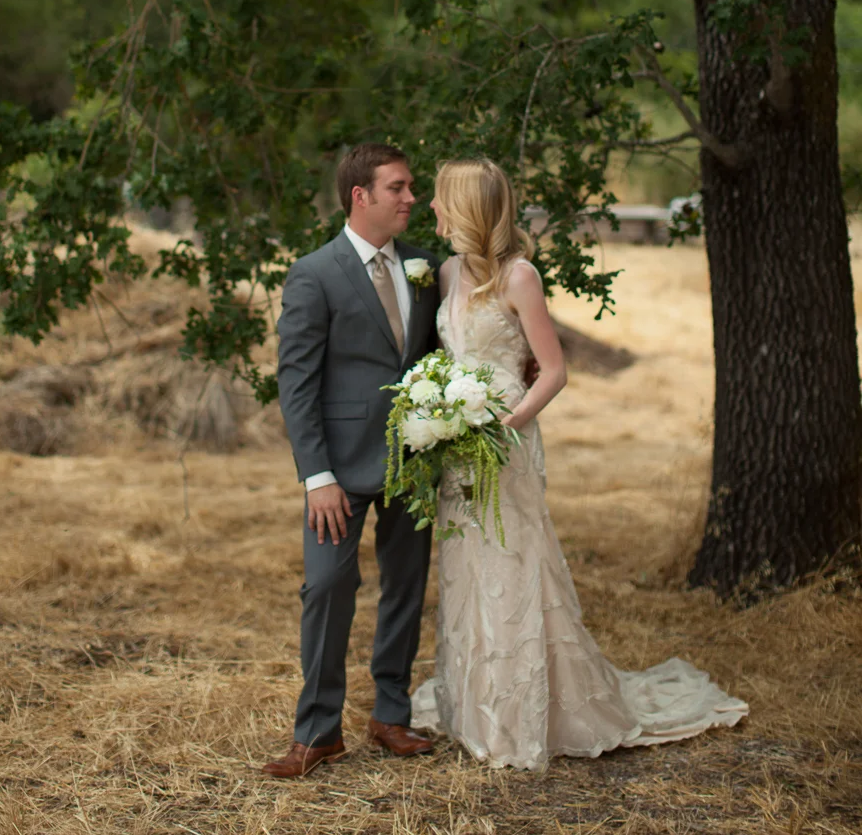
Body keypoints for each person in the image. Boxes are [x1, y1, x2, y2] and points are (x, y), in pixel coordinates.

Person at [411, 157, 748, 770]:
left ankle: (523, 712)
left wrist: (510, 420)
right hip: (457, 442)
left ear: (466, 207)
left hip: (504, 440)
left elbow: (555, 369)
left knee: (512, 559)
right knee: (467, 561)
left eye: (439, 199)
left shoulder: (519, 277)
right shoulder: (445, 273)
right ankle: (477, 704)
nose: (431, 208)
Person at [263, 143, 442, 778]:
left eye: (411, 186)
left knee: (407, 589)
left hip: (413, 458)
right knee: (328, 588)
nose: (411, 198)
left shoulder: (426, 265)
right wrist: (317, 477)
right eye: (398, 187)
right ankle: (318, 731)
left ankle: (391, 714)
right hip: (336, 471)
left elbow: (444, 351)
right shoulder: (315, 273)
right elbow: (297, 382)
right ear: (360, 196)